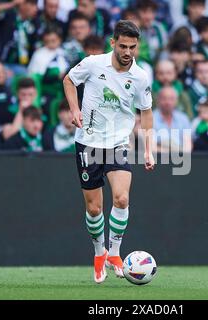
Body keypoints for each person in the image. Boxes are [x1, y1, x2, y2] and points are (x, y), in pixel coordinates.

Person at [63, 20, 155, 283]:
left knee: (122, 199)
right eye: (123, 46)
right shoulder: (93, 64)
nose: (128, 52)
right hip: (88, 144)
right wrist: (74, 109)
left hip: (117, 144)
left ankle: (114, 252)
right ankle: (98, 251)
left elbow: (146, 114)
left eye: (133, 47)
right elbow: (69, 80)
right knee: (94, 209)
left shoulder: (140, 77)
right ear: (113, 43)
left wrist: (148, 150)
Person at [153, 86, 192, 152]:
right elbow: (151, 148)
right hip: (158, 158)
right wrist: (172, 153)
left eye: (171, 99)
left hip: (181, 157)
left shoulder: (183, 118)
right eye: (164, 98)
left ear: (176, 101)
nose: (168, 102)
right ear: (158, 100)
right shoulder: (150, 118)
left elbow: (188, 145)